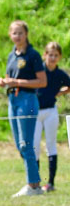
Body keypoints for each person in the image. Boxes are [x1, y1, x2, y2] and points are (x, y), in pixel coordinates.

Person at [0, 20, 47, 197]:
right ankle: (33, 183)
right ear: (10, 35)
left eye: (20, 33)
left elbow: (42, 81)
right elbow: (9, 76)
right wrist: (4, 81)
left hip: (27, 99)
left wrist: (16, 82)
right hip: (13, 99)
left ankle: (33, 185)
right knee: (20, 144)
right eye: (14, 33)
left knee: (26, 143)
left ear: (26, 34)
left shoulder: (33, 55)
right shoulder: (12, 55)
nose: (17, 36)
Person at [34, 41, 70, 192]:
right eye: (50, 55)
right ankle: (35, 183)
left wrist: (60, 93)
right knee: (35, 146)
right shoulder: (38, 71)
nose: (53, 58)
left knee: (51, 145)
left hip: (50, 111)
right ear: (45, 55)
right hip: (35, 112)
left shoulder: (60, 74)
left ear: (59, 57)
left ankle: (50, 183)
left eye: (56, 55)